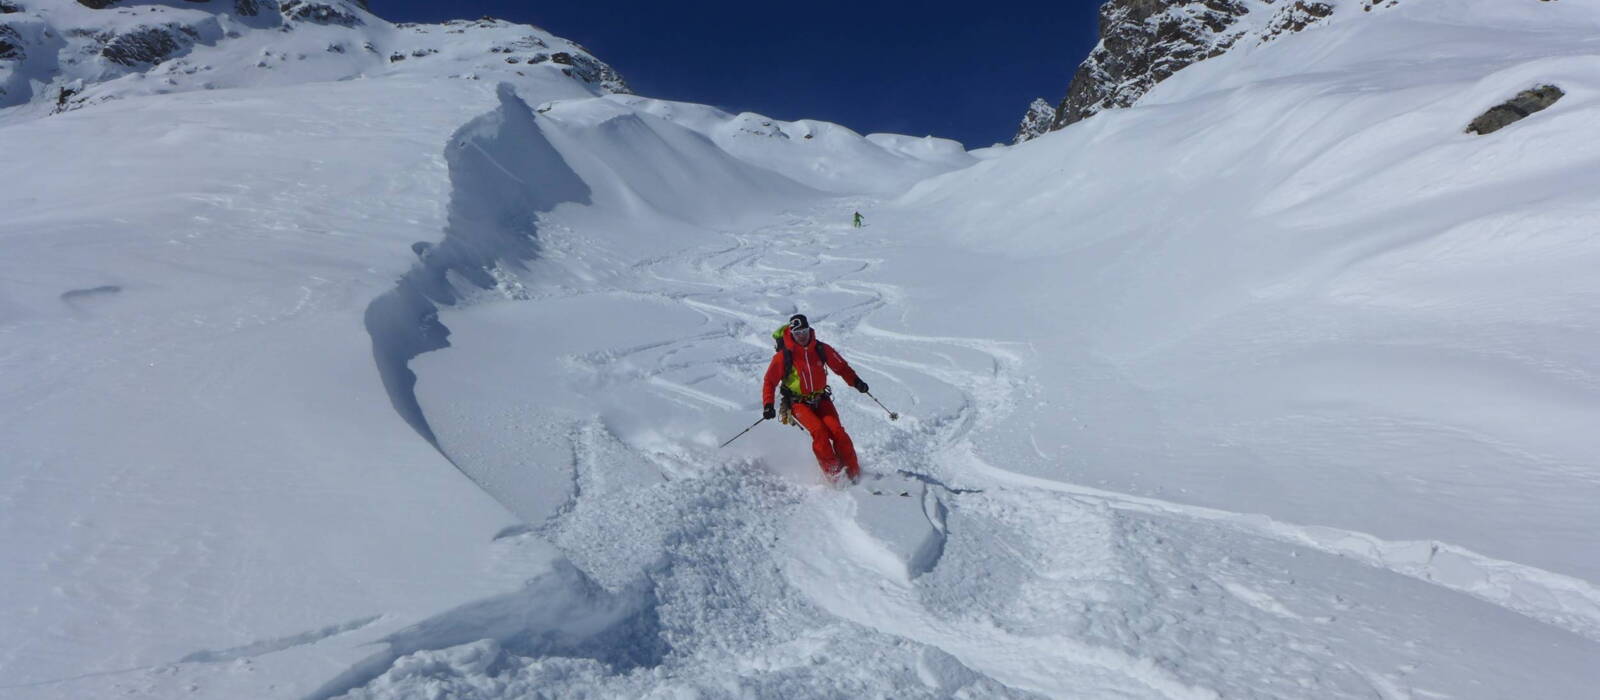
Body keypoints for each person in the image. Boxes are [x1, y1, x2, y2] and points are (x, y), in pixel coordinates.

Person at [762, 314, 869, 483]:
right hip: (797, 403)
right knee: (819, 432)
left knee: (837, 432)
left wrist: (856, 382)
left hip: (821, 399)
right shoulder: (784, 356)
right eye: (797, 334)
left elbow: (841, 367)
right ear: (791, 333)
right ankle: (834, 476)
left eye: (804, 331)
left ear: (809, 329)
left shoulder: (821, 349)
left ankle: (854, 473)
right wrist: (768, 404)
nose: (802, 336)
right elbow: (770, 381)